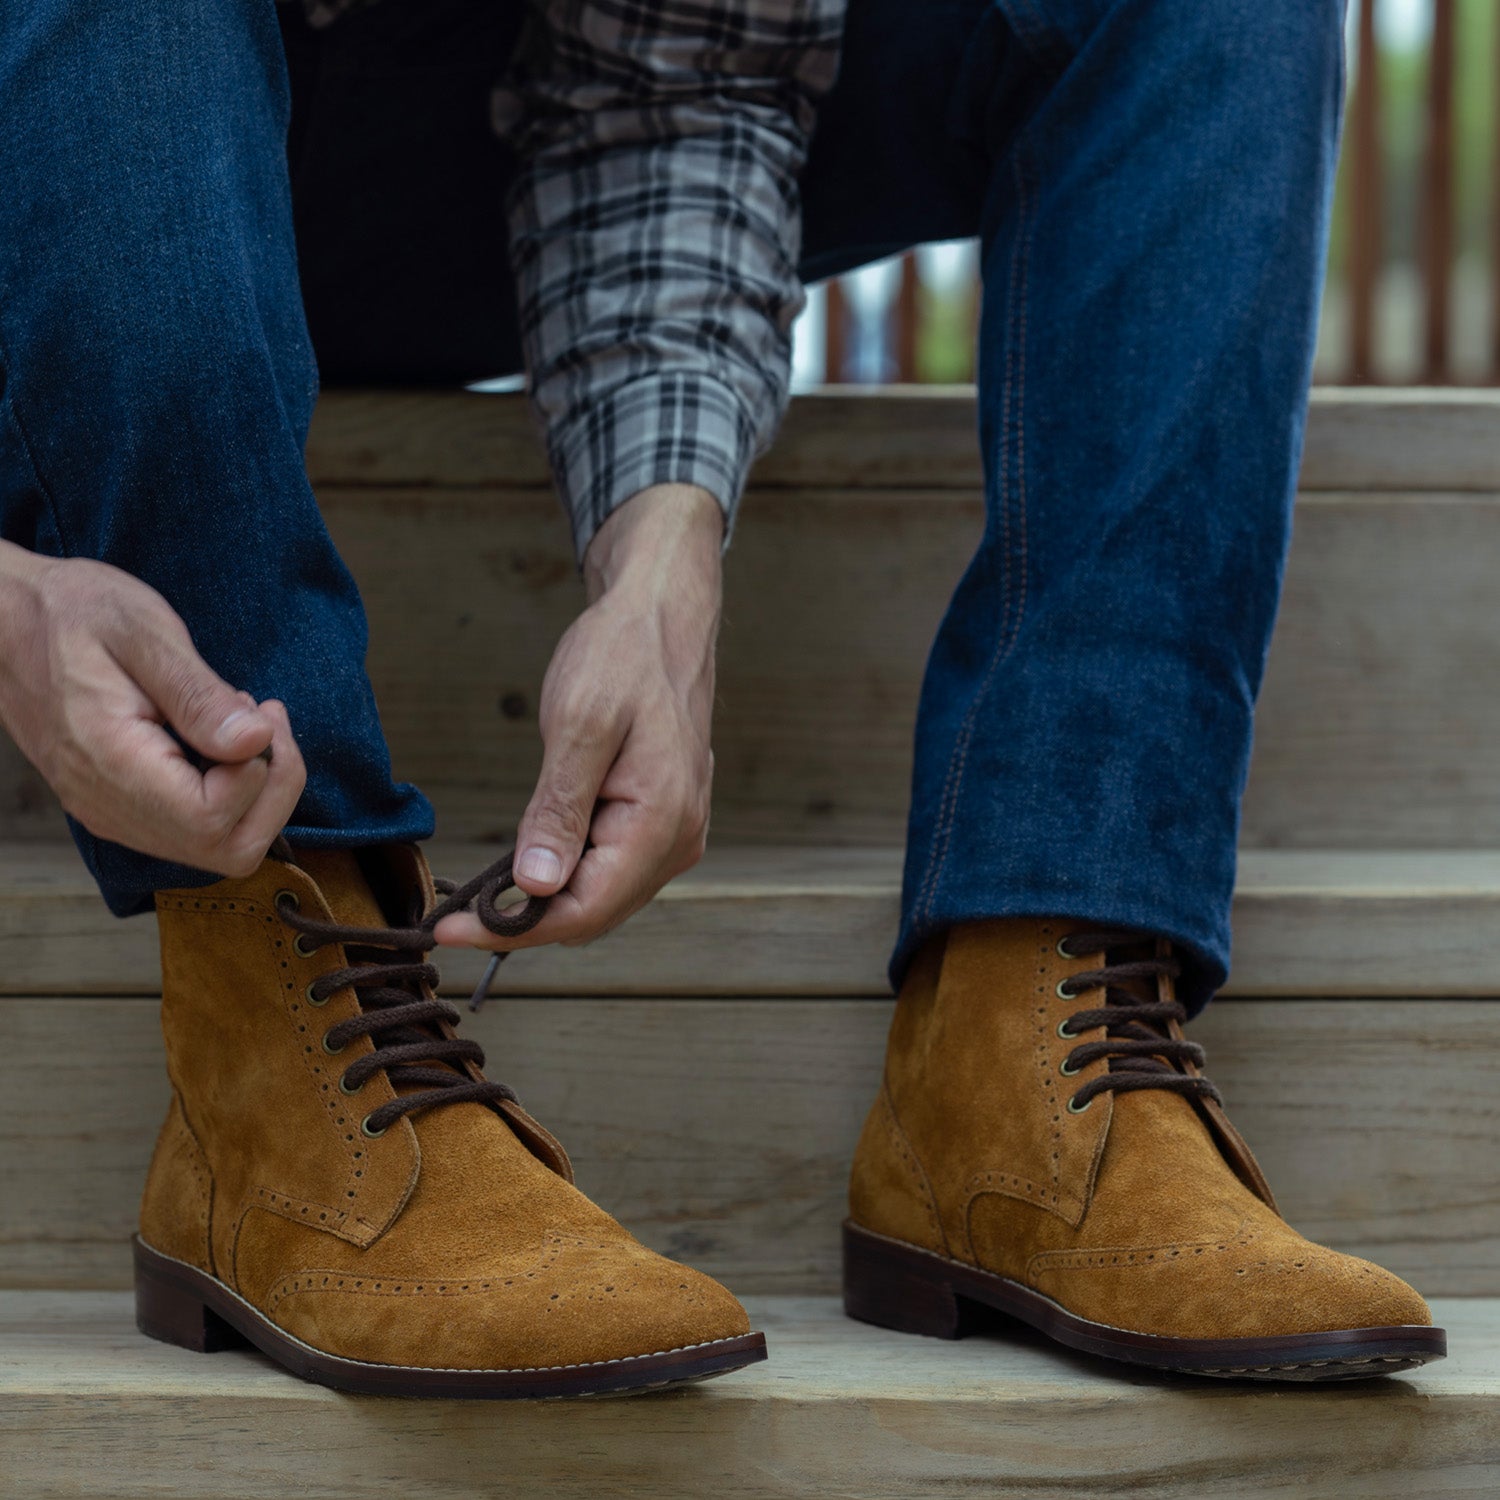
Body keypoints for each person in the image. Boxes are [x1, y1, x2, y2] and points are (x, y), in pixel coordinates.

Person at [0, 0, 1445, 1398]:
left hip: (444, 159)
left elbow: (671, 84)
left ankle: (1031, 1078)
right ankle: (281, 1024)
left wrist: (661, 561)